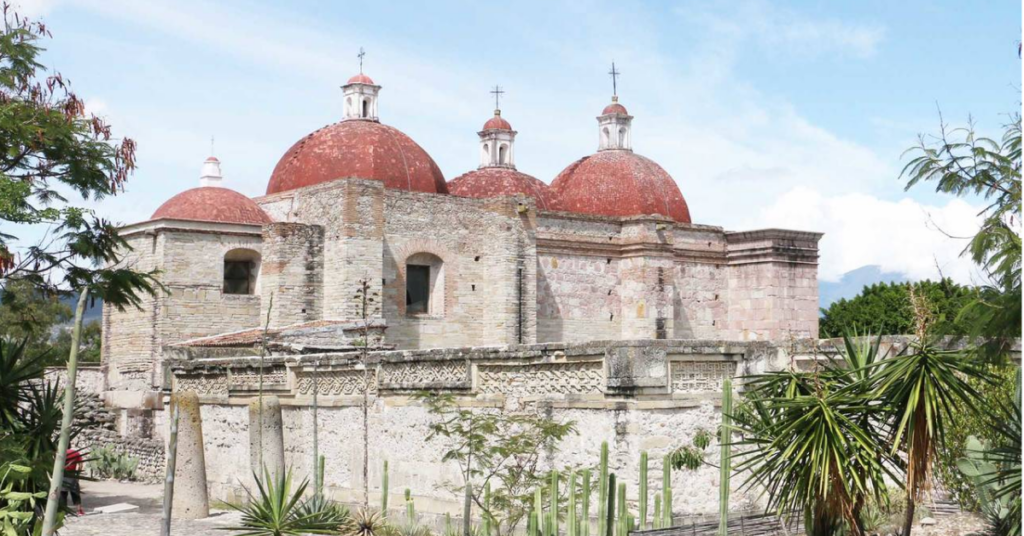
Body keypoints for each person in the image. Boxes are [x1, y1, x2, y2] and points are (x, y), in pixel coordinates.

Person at [62, 448, 85, 516]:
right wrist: (77, 474)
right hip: (72, 475)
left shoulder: (61, 452)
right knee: (75, 494)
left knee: (63, 494)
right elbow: (81, 464)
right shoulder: (76, 453)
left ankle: (64, 511)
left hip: (62, 475)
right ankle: (79, 510)